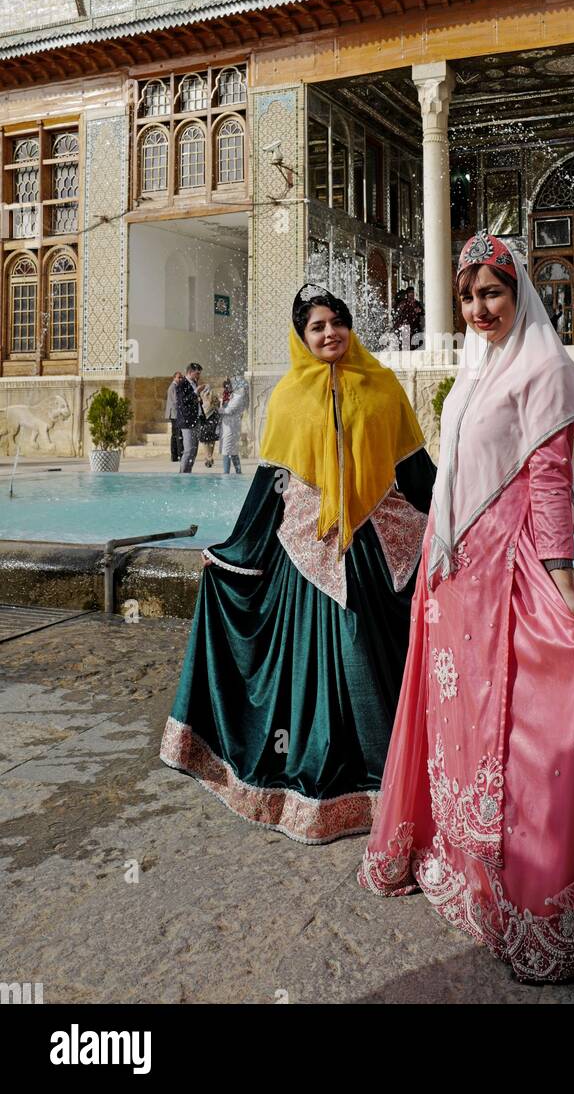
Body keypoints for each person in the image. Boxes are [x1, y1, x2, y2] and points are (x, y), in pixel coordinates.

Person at [357, 231, 574, 983]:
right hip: (453, 571)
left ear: (519, 291)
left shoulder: (546, 366)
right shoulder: (477, 360)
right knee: (453, 718)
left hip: (507, 565)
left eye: (491, 292)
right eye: (467, 296)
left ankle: (535, 896)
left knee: (520, 723)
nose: (479, 308)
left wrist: (562, 578)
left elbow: (551, 480)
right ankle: (460, 865)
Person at [160, 285, 437, 844]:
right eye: (317, 326)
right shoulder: (288, 398)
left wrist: (457, 522)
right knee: (313, 672)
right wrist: (236, 552)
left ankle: (394, 779)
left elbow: (414, 473)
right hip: (306, 558)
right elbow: (271, 487)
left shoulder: (383, 388)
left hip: (371, 552)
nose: (330, 333)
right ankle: (323, 780)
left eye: (338, 322)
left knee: (367, 652)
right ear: (302, 336)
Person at [176, 363, 204, 473]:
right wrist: (196, 392)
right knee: (188, 450)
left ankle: (189, 472)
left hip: (196, 420)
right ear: (190, 372)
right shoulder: (182, 383)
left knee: (194, 450)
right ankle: (182, 474)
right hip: (186, 421)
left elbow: (194, 401)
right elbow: (183, 401)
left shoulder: (194, 383)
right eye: (197, 373)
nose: (198, 376)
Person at [218, 376, 248, 474]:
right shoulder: (235, 395)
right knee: (233, 451)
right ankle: (238, 472)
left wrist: (216, 409)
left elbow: (229, 410)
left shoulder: (239, 396)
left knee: (226, 450)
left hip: (231, 427)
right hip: (230, 425)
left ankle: (226, 474)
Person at [196, 385, 222, 468]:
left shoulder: (203, 396)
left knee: (206, 440)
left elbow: (203, 408)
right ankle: (209, 456)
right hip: (212, 419)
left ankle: (208, 457)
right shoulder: (214, 397)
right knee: (210, 440)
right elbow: (217, 406)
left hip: (206, 419)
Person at [165, 371, 183, 463]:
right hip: (175, 414)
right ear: (174, 378)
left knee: (175, 435)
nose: (180, 379)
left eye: (181, 377)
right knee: (177, 434)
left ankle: (175, 455)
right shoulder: (173, 387)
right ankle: (178, 455)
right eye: (179, 377)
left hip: (175, 414)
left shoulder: (175, 387)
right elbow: (176, 401)